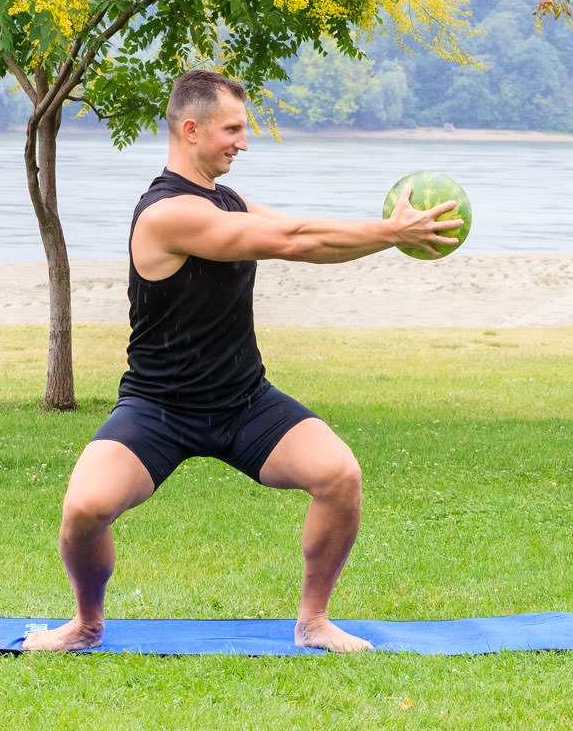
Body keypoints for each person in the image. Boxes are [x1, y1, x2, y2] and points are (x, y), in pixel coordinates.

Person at [23, 69, 463, 653]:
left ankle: (314, 623)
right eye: (232, 129)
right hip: (159, 408)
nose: (243, 141)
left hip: (243, 402)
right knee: (84, 508)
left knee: (339, 476)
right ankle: (85, 624)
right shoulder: (165, 214)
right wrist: (388, 232)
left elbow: (302, 233)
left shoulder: (226, 200)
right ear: (191, 129)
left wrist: (386, 232)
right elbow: (291, 242)